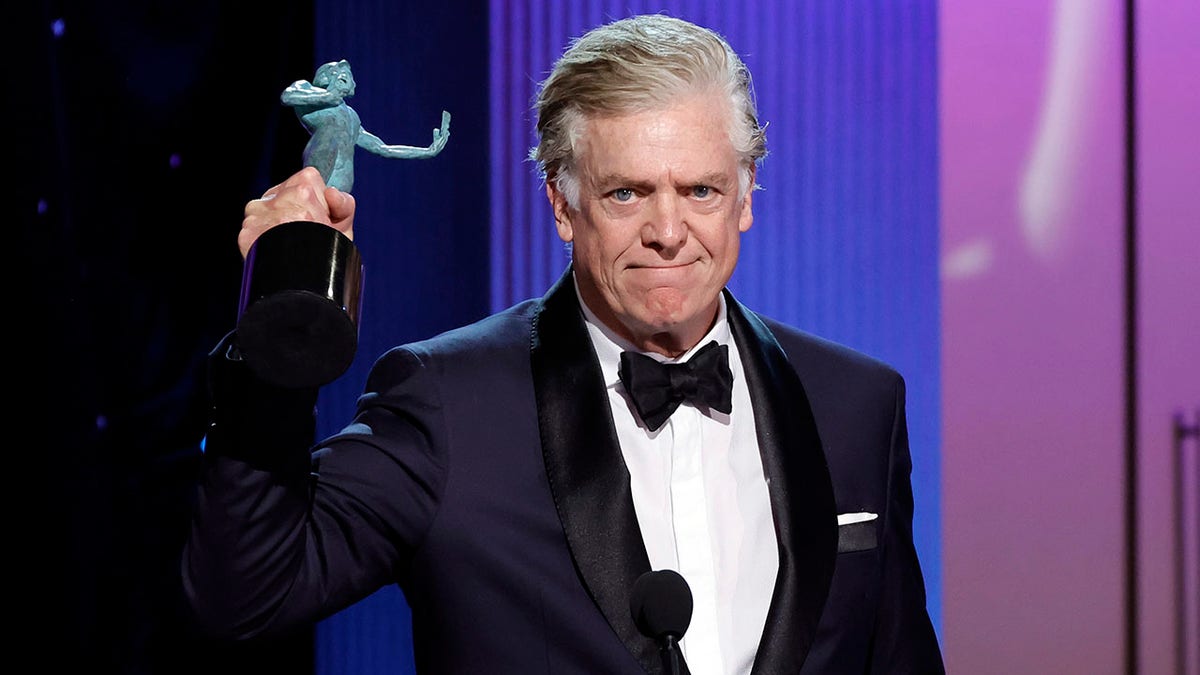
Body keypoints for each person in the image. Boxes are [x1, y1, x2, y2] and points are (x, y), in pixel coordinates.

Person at [184, 13, 945, 675]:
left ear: (745, 195)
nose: (669, 231)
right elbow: (244, 595)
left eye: (701, 191)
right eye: (627, 192)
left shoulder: (856, 403)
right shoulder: (450, 401)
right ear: (561, 202)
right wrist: (278, 336)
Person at [281, 58, 451, 192]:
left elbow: (383, 148)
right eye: (335, 71)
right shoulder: (308, 90)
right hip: (317, 181)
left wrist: (427, 151)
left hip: (342, 189)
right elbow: (287, 97)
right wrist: (328, 96)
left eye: (345, 72)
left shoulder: (352, 116)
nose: (342, 74)